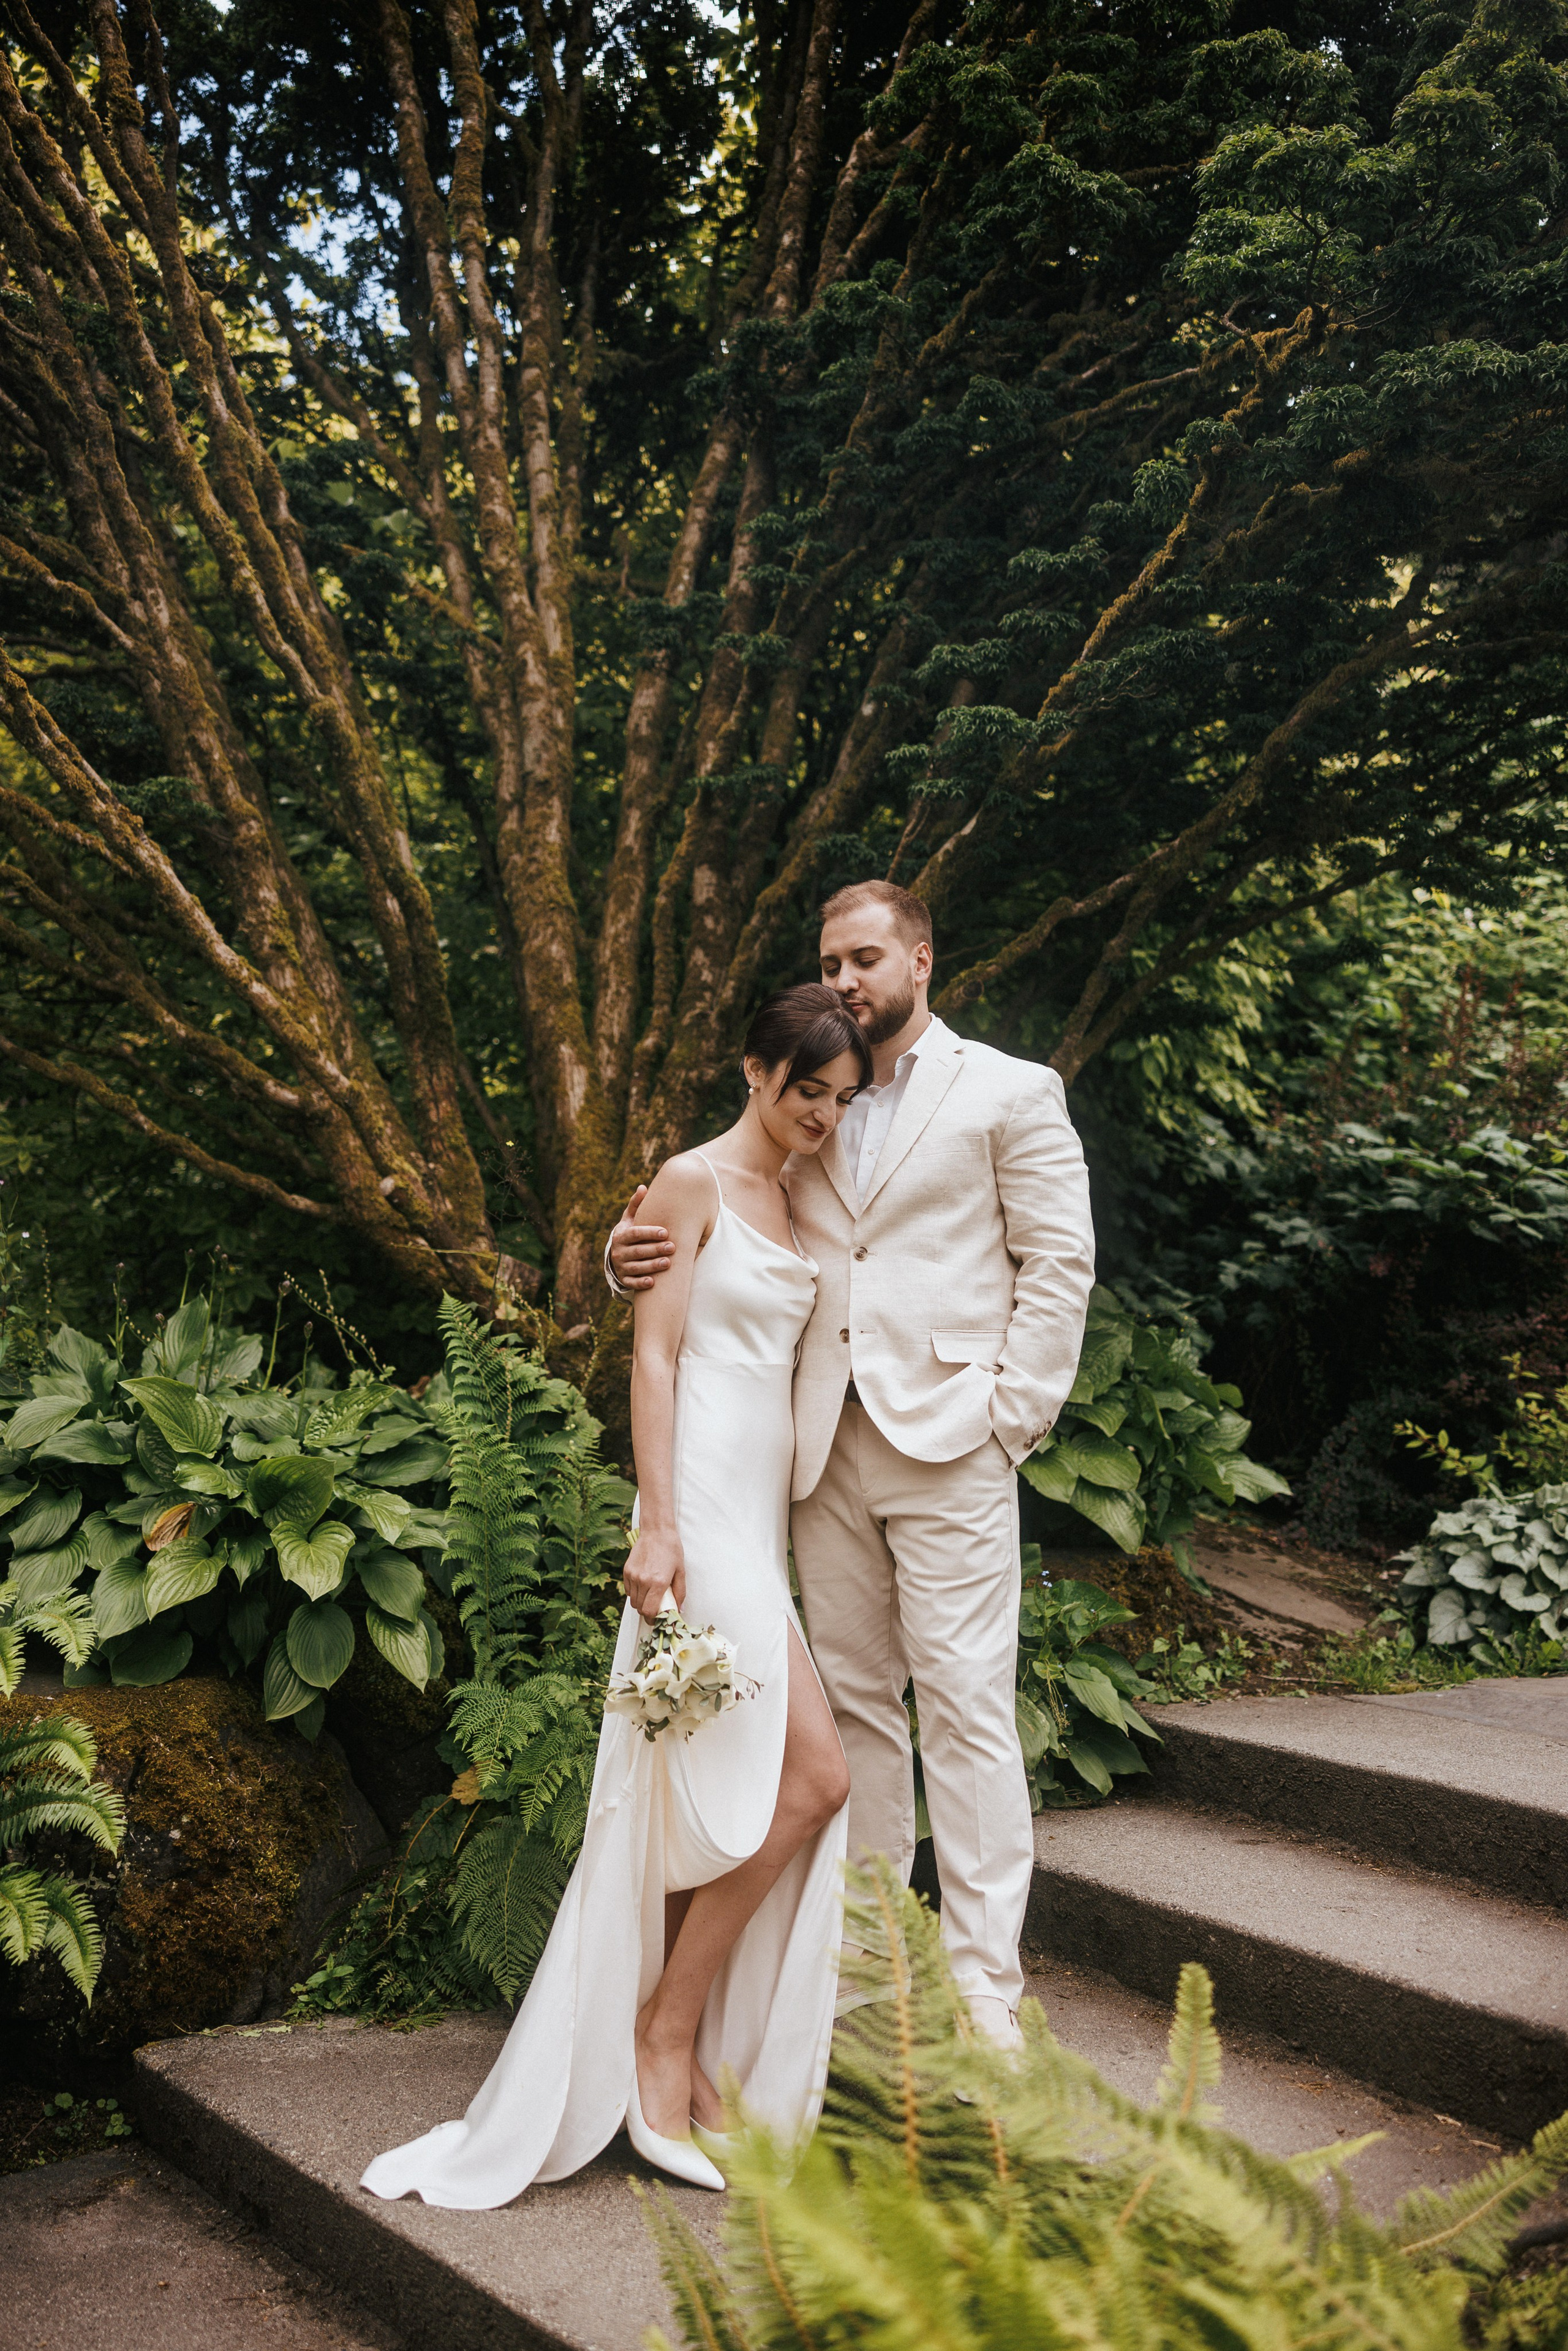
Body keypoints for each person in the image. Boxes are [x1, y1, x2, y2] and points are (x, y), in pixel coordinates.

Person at [361, 984, 864, 2209]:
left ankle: (671, 2031)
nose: (821, 1117)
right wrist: (658, 1524)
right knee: (813, 1778)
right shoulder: (687, 1183)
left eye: (841, 1099)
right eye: (806, 1090)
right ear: (753, 1068)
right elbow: (655, 1351)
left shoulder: (807, 1197)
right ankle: (660, 2033)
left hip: (764, 1518)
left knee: (743, 1788)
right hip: (696, 1517)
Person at [608, 881, 1095, 2047]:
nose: (844, 979)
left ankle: (984, 1991)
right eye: (830, 961)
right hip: (816, 1452)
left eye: (866, 956)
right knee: (860, 1717)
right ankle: (874, 1971)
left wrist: (1006, 1420)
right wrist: (626, 1250)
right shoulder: (811, 1096)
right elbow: (710, 1222)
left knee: (969, 1710)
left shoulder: (1012, 1092)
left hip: (950, 1442)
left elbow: (1060, 1265)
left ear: (923, 958)